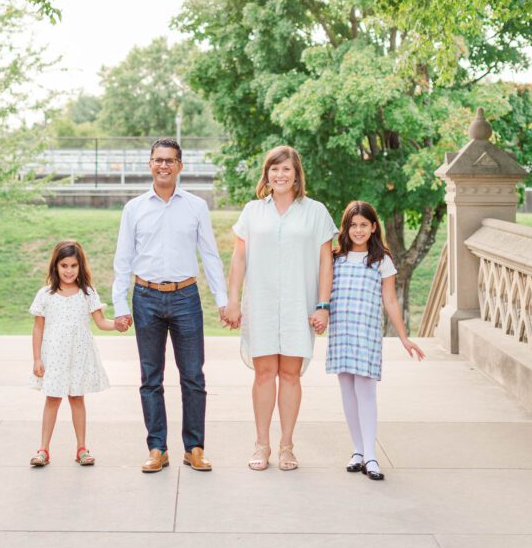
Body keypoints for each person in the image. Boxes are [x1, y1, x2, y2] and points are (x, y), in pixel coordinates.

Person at [112, 137, 228, 473]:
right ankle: (157, 448)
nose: (164, 165)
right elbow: (123, 259)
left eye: (170, 160)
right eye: (158, 160)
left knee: (193, 376)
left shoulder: (196, 206)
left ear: (180, 166)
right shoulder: (134, 208)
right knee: (151, 377)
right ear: (150, 164)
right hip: (145, 297)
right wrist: (120, 304)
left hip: (185, 299)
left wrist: (222, 301)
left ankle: (194, 447)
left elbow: (210, 255)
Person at [225, 145, 335, 471]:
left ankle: (287, 445)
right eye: (274, 169)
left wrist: (323, 305)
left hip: (298, 305)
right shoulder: (252, 212)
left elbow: (325, 262)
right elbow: (239, 258)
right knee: (264, 373)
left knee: (289, 374)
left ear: (297, 174)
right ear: (266, 174)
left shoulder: (315, 212)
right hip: (260, 303)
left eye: (286, 169)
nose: (280, 174)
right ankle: (262, 445)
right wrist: (233, 301)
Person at [324, 200, 425, 481]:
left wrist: (404, 338)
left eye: (363, 225)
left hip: (366, 333)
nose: (358, 230)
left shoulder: (381, 260)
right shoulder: (335, 258)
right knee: (347, 390)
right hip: (341, 333)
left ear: (373, 227)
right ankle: (357, 450)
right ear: (345, 228)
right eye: (353, 225)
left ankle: (371, 454)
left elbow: (390, 300)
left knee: (365, 391)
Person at [29, 239, 123, 468]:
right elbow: (38, 327)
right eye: (64, 266)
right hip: (55, 356)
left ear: (80, 267)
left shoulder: (87, 293)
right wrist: (37, 358)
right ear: (56, 267)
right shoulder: (45, 295)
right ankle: (43, 449)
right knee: (52, 399)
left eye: (73, 266)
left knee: (77, 398)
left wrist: (118, 324)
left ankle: (82, 448)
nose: (69, 271)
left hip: (78, 356)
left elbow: (100, 322)